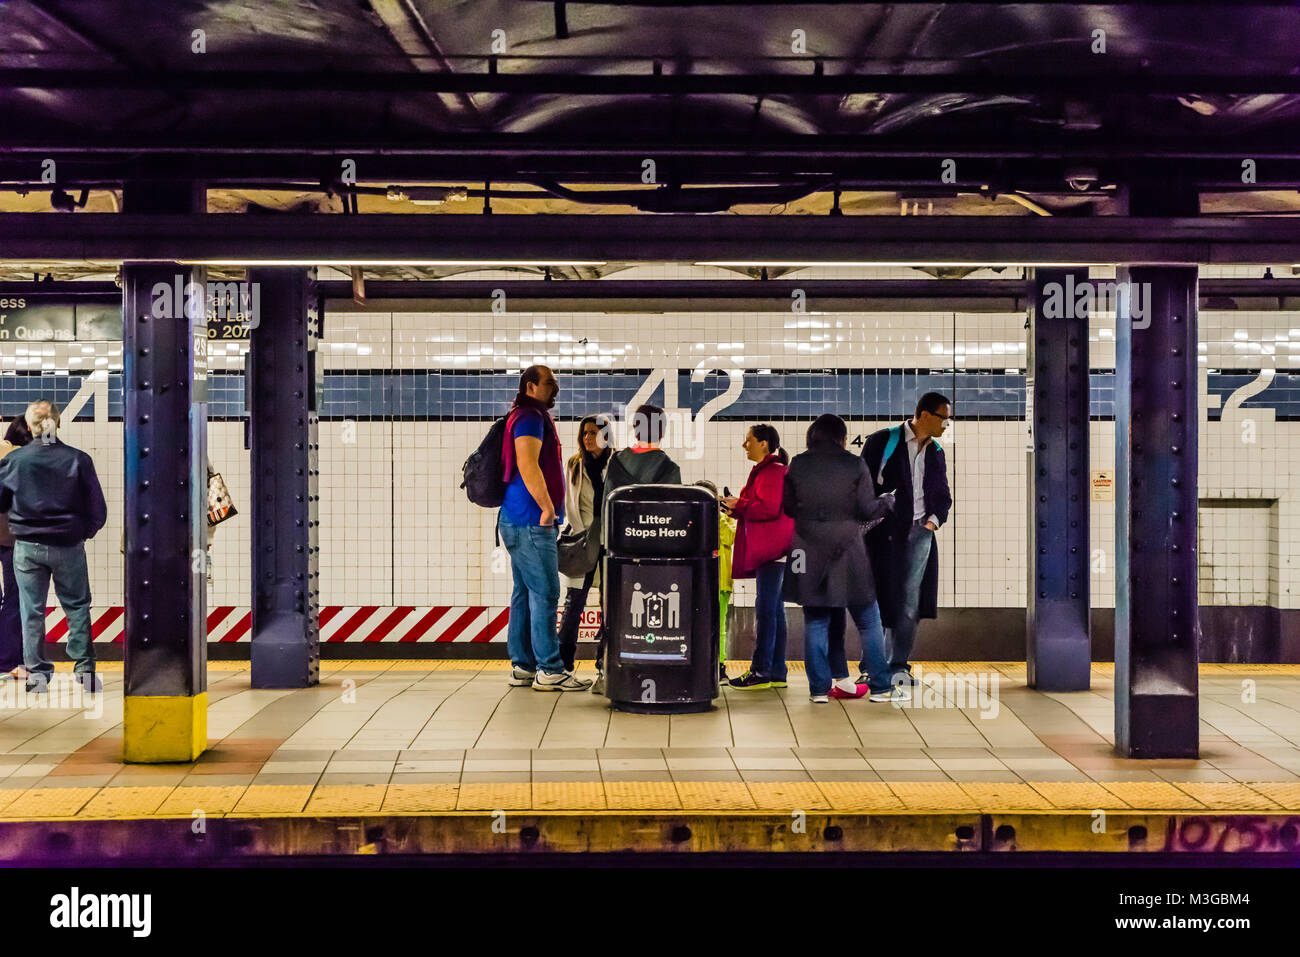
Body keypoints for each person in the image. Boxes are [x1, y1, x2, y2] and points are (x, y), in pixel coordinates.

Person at [782, 414, 897, 704]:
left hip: (808, 550)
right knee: (869, 621)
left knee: (816, 621)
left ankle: (819, 690)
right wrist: (888, 501)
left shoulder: (798, 463)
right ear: (842, 438)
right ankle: (882, 688)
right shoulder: (854, 463)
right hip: (848, 550)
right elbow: (867, 508)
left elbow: (788, 508)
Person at [0, 401, 106, 693]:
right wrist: (81, 533)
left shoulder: (14, 462)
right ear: (57, 424)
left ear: (31, 426)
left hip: (27, 547)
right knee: (77, 606)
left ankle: (37, 676)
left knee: (31, 610)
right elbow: (98, 509)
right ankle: (84, 671)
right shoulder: (78, 460)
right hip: (68, 545)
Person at [498, 366, 591, 692]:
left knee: (524, 592)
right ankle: (550, 669)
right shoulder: (530, 418)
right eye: (550, 384)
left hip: (516, 518)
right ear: (531, 386)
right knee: (547, 592)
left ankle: (524, 665)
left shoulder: (521, 415)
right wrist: (548, 507)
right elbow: (527, 462)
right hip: (531, 520)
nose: (556, 389)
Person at [861, 392, 953, 689]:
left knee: (910, 603)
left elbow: (942, 496)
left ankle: (898, 665)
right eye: (943, 418)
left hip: (920, 533)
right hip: (884, 535)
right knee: (880, 599)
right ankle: (873, 666)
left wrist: (932, 521)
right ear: (925, 414)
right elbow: (862, 486)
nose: (946, 424)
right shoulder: (883, 441)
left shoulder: (936, 451)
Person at [595, 404, 681, 695]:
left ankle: (604, 671)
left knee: (612, 612)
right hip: (655, 559)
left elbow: (606, 508)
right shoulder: (669, 467)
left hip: (618, 554)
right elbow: (671, 519)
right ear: (662, 430)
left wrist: (609, 549)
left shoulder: (616, 463)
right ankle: (653, 668)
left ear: (634, 427)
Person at [723, 424, 794, 690]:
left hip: (772, 551)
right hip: (773, 551)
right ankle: (776, 672)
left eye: (749, 440)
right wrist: (736, 509)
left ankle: (761, 671)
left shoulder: (773, 472)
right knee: (774, 611)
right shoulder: (766, 471)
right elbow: (760, 508)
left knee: (766, 611)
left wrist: (737, 504)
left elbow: (768, 508)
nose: (745, 445)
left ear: (764, 443)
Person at [557, 414, 613, 673]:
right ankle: (564, 663)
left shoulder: (616, 462)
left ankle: (604, 662)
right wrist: (580, 534)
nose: (588, 438)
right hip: (584, 540)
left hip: (611, 542)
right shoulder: (574, 464)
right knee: (573, 604)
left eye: (593, 433)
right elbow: (570, 502)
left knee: (610, 604)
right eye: (584, 434)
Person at [0, 414, 33, 679]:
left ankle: (14, 660)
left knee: (12, 599)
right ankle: (11, 661)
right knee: (16, 599)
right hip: (12, 538)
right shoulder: (21, 460)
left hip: (7, 536)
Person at [694, 479, 735, 684]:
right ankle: (717, 667)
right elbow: (730, 536)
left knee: (706, 626)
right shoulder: (716, 519)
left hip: (706, 582)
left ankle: (708, 665)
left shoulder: (697, 519)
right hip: (716, 582)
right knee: (717, 627)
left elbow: (728, 538)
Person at [604, 403, 681, 491]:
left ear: (635, 429)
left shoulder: (616, 462)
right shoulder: (671, 471)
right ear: (662, 432)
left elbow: (606, 502)